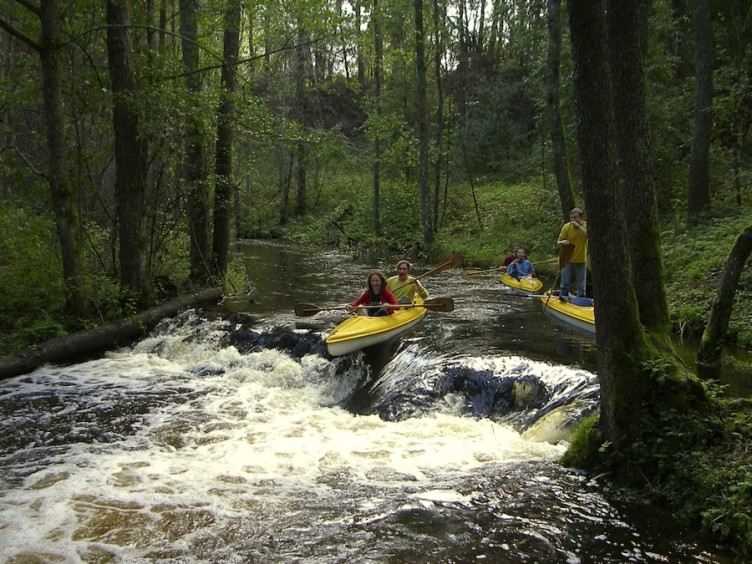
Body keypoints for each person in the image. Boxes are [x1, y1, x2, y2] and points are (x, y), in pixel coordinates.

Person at [557, 207, 588, 298]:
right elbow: (558, 243)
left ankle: (581, 301)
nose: (573, 220)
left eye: (575, 217)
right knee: (565, 282)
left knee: (581, 285)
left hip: (581, 260)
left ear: (580, 218)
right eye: (571, 218)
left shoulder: (585, 226)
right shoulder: (566, 227)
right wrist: (562, 242)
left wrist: (578, 227)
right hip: (568, 260)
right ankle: (562, 298)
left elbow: (588, 235)